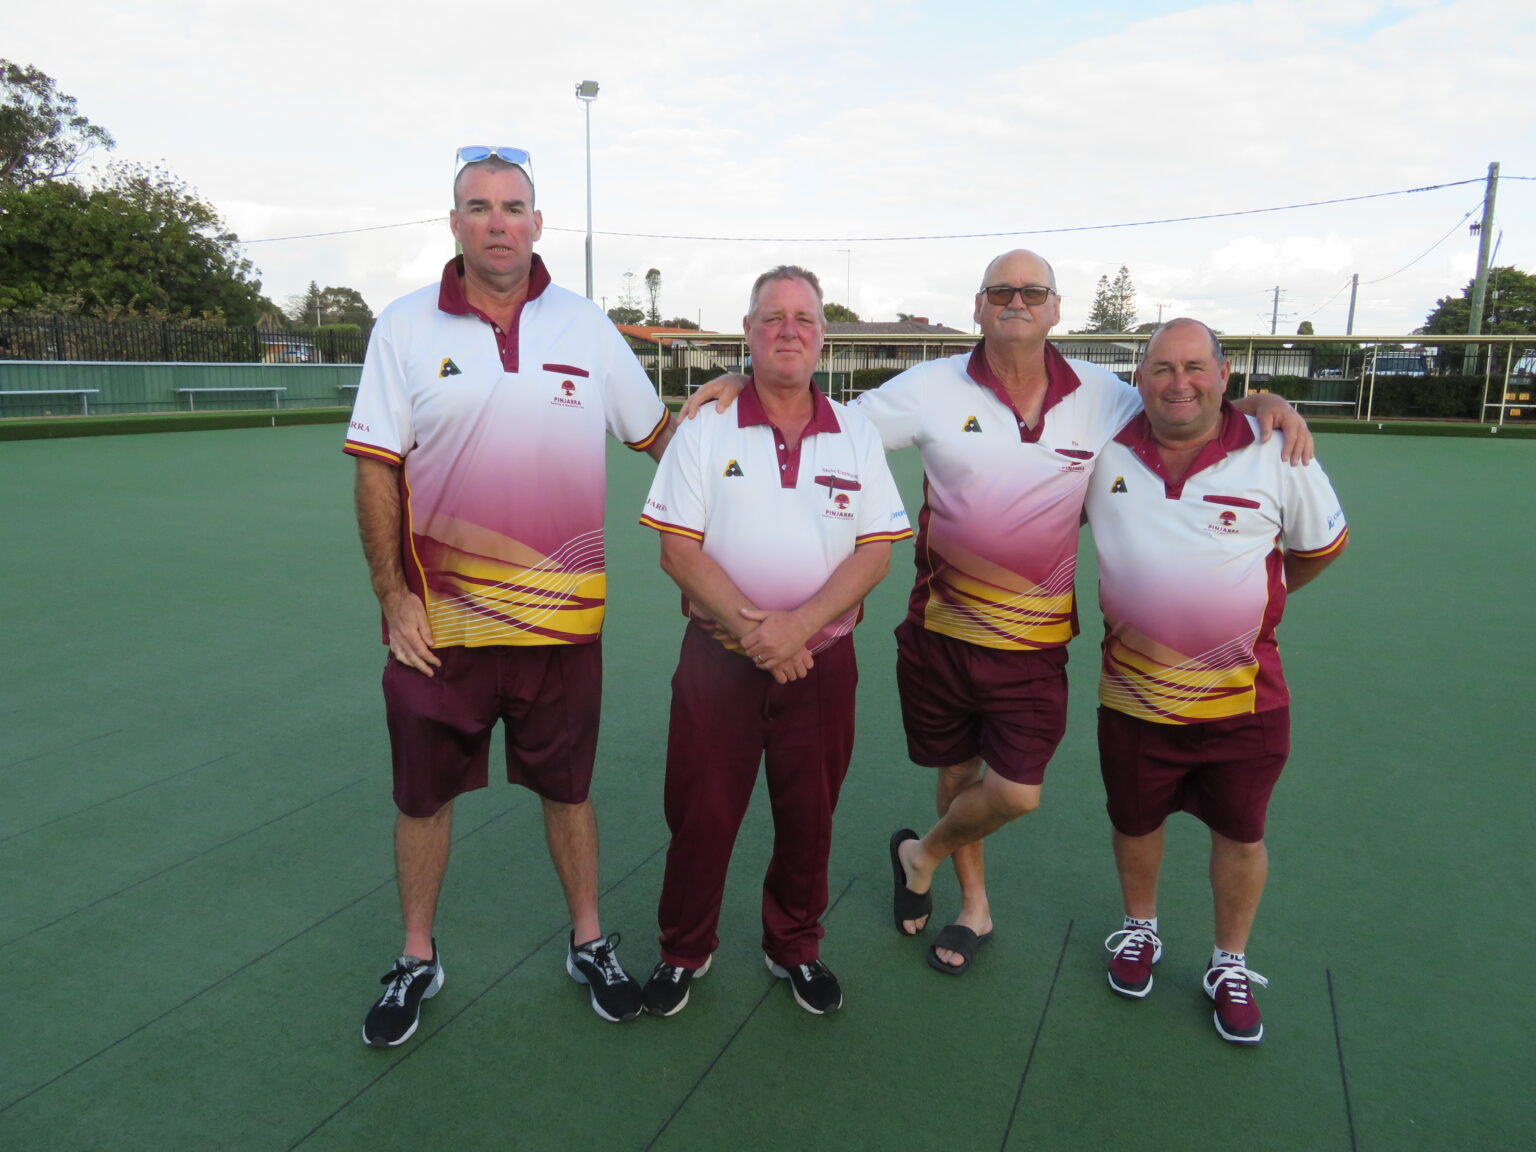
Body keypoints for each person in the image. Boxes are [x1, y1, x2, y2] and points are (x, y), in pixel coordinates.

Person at [685, 251, 1311, 975]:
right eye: (1001, 291)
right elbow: (832, 422)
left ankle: (921, 853)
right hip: (940, 632)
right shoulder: (930, 386)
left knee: (1016, 790)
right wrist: (746, 378)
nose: (1017, 301)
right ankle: (971, 905)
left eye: (1033, 291)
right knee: (956, 772)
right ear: (978, 307)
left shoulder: (1110, 395)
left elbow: (1193, 401)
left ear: (1055, 309)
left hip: (1036, 642)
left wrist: (1268, 405)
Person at [346, 146, 676, 1046]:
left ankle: (588, 941)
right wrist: (392, 591)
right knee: (423, 798)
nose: (498, 221)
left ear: (538, 224)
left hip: (560, 628)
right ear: (453, 223)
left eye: (514, 207)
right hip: (436, 627)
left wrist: (739, 410)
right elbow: (377, 472)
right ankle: (417, 955)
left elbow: (659, 439)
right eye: (479, 206)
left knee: (567, 790)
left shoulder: (588, 327)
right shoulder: (404, 328)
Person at [638, 266, 911, 1016]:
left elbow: (876, 552)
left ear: (822, 337)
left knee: (809, 816)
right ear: (749, 334)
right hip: (716, 665)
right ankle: (682, 949)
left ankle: (794, 944)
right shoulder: (705, 425)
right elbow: (678, 551)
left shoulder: (854, 432)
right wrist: (762, 635)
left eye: (804, 319)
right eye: (772, 318)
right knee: (700, 813)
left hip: (821, 666)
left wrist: (795, 630)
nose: (788, 330)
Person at [1086, 318, 1347, 1045]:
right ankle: (1140, 929)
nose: (1179, 382)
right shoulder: (1103, 444)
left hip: (1245, 697)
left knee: (1241, 832)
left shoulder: (1276, 451)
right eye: (1162, 367)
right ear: (1139, 377)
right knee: (1134, 821)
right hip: (1132, 692)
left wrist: (1266, 596)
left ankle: (1228, 962)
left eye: (1195, 367)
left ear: (1225, 375)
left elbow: (1319, 547)